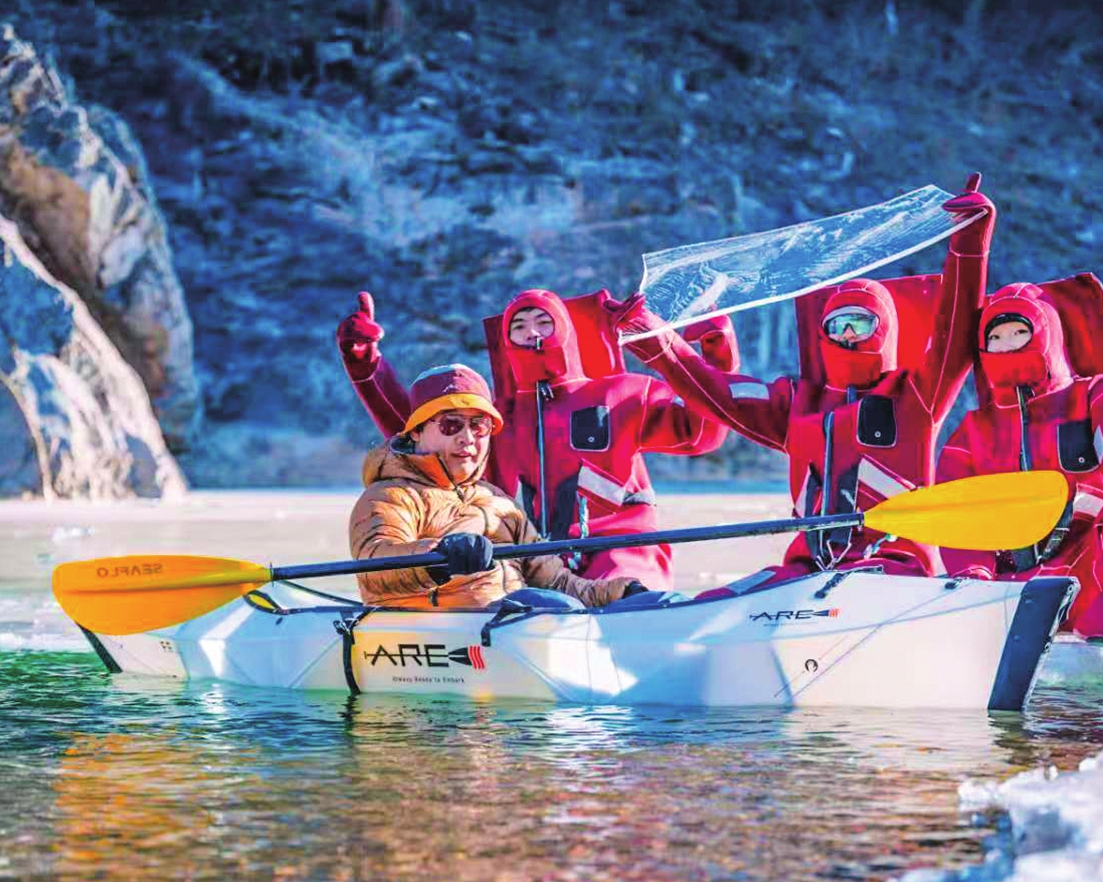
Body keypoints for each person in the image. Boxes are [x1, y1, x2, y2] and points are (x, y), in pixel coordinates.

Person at [604, 177, 996, 581]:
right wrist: (654, 338)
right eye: (837, 324)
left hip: (895, 571)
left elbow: (955, 328)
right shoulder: (797, 404)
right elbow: (717, 393)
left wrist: (969, 243)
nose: (847, 335)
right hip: (807, 572)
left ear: (884, 330)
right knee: (727, 601)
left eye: (861, 323)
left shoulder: (916, 396)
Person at [338, 289, 739, 591]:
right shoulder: (493, 421)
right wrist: (366, 368)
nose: (531, 332)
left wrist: (716, 356)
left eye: (543, 322)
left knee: (624, 600)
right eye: (519, 326)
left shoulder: (623, 394)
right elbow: (422, 433)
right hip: (528, 561)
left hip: (623, 553)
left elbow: (703, 432)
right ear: (507, 341)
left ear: (565, 330)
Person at [936, 277, 1103, 641]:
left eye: (1019, 333)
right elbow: (959, 515)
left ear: (1047, 334)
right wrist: (973, 578)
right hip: (1014, 588)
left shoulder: (1094, 396)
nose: (1006, 345)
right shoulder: (973, 431)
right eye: (995, 338)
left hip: (1091, 576)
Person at [347, 364, 643, 611]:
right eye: (451, 425)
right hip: (442, 634)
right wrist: (439, 556)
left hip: (515, 628)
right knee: (549, 608)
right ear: (417, 432)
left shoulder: (499, 502)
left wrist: (621, 592)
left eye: (479, 426)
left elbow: (556, 582)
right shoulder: (389, 497)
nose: (467, 438)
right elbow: (376, 565)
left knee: (637, 606)